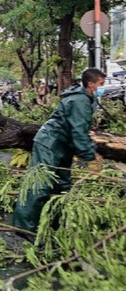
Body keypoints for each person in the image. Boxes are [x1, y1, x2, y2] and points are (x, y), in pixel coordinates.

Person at [13, 68, 106, 234]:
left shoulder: (86, 98)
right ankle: (23, 228)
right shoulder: (79, 101)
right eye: (101, 84)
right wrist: (90, 156)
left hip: (63, 146)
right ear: (91, 84)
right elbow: (78, 132)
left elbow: (81, 130)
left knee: (61, 186)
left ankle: (54, 225)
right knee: (39, 185)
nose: (103, 88)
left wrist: (90, 151)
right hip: (50, 143)